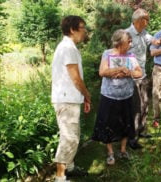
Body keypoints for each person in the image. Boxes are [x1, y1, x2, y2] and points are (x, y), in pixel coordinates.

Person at [92, 29, 143, 165]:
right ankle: (110, 153)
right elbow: (102, 71)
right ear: (120, 43)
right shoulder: (107, 54)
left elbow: (139, 72)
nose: (131, 44)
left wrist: (129, 72)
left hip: (126, 96)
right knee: (108, 124)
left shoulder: (131, 56)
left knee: (126, 123)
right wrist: (119, 69)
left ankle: (123, 150)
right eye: (129, 41)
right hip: (109, 96)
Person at [51, 15, 91, 182]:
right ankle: (60, 177)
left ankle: (71, 167)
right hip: (66, 100)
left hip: (69, 99)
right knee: (68, 138)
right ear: (73, 29)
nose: (85, 32)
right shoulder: (68, 48)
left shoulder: (68, 47)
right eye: (82, 28)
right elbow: (75, 78)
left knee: (73, 135)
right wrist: (87, 95)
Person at [125, 8, 161, 149]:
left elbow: (154, 41)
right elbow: (120, 54)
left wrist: (160, 40)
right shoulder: (126, 34)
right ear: (139, 20)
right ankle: (132, 138)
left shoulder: (144, 33)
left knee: (145, 103)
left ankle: (141, 130)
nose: (148, 22)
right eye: (146, 19)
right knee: (135, 107)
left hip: (143, 76)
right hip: (132, 77)